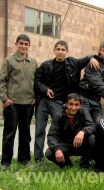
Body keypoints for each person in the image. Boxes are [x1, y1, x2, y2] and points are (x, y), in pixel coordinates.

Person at [34, 40, 99, 163]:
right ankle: (38, 159)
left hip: (59, 102)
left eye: (63, 50)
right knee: (40, 130)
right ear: (54, 50)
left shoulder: (73, 63)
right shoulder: (45, 65)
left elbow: (86, 58)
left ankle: (64, 153)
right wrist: (45, 89)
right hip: (43, 100)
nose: (60, 52)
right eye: (58, 49)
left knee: (61, 128)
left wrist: (91, 58)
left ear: (66, 51)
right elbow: (37, 82)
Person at [0, 34, 38, 170]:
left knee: (25, 134)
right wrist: (5, 99)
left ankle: (24, 160)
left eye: (26, 44)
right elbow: (2, 81)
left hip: (28, 104)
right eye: (21, 43)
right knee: (9, 134)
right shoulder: (8, 61)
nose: (23, 46)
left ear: (29, 46)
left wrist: (35, 98)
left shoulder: (33, 62)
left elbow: (36, 83)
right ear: (16, 44)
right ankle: (5, 162)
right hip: (12, 104)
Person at [45, 93, 95, 169]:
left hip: (81, 145)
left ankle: (84, 166)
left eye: (76, 105)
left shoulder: (84, 112)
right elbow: (52, 136)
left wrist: (82, 132)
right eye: (71, 104)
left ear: (80, 105)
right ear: (65, 104)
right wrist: (57, 149)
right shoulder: (59, 115)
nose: (73, 107)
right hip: (66, 145)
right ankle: (67, 165)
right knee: (49, 153)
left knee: (91, 138)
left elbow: (91, 126)